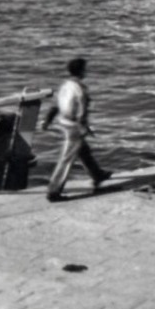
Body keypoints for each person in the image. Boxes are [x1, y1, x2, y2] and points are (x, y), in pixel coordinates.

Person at [42, 57, 110, 202]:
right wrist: (84, 127)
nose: (87, 71)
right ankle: (53, 191)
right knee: (67, 158)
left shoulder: (65, 85)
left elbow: (55, 106)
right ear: (81, 71)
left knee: (83, 151)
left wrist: (47, 121)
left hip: (63, 122)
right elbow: (82, 111)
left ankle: (97, 174)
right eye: (85, 68)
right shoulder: (81, 88)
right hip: (74, 126)